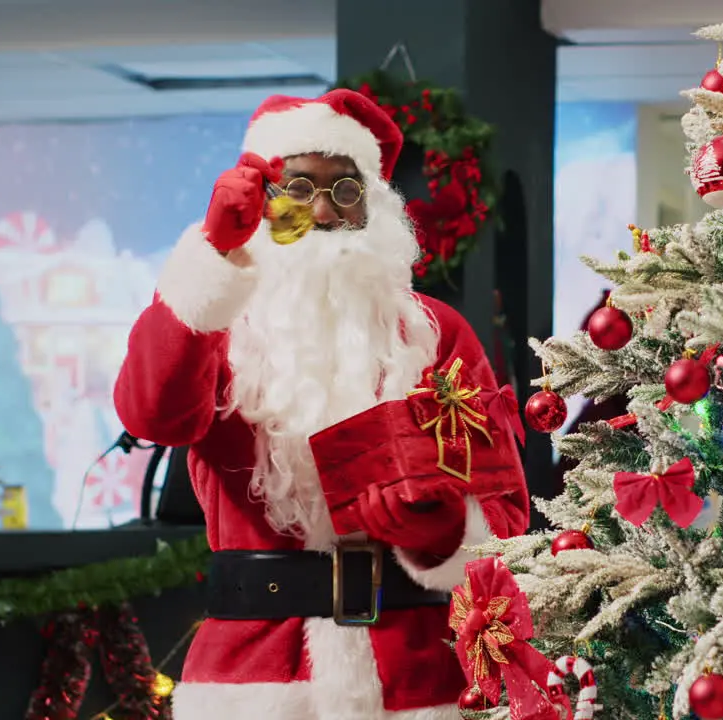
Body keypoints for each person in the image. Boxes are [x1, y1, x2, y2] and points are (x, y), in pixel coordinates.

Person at [115, 89, 530, 719]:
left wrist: (447, 534)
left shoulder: (436, 332)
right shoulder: (215, 325)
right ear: (263, 203)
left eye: (345, 190)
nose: (325, 210)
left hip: (419, 678)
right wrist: (212, 258)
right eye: (300, 188)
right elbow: (151, 414)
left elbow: (504, 511)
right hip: (257, 677)